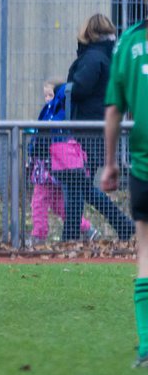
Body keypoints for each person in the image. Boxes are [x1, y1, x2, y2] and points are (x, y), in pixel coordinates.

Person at [101, 0, 148, 368]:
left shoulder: (128, 43)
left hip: (142, 168)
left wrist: (109, 164)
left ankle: (147, 347)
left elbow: (114, 110)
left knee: (145, 252)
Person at [53, 13, 134, 243]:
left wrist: (62, 87)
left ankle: (119, 224)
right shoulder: (110, 58)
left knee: (78, 183)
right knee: (79, 184)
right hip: (98, 129)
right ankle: (72, 235)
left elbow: (80, 89)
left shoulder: (92, 58)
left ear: (88, 33)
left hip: (85, 131)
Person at [27, 78, 95, 244]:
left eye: (51, 95)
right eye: (45, 96)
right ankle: (86, 228)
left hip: (50, 166)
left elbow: (49, 132)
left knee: (39, 201)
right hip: (49, 164)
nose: (48, 99)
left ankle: (39, 235)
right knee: (59, 205)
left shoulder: (61, 112)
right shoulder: (49, 111)